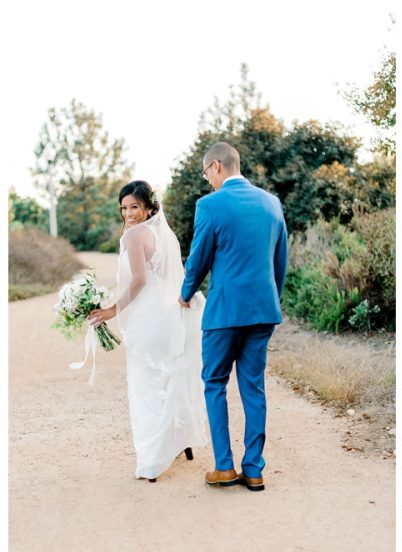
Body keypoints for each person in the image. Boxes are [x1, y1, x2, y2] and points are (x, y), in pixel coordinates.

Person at [180, 142, 288, 492]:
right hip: (262, 311)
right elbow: (280, 262)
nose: (206, 180)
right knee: (253, 387)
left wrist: (185, 293)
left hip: (224, 312)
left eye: (205, 173)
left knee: (214, 382)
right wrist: (270, 299)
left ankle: (224, 467)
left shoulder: (209, 206)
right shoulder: (272, 203)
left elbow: (199, 258)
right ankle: (254, 469)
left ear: (216, 166)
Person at [89, 180, 208, 482]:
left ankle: (152, 460)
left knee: (146, 387)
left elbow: (139, 280)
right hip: (167, 314)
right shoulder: (162, 233)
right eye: (124, 208)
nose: (128, 213)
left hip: (147, 316)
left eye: (134, 207)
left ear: (148, 207)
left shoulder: (134, 236)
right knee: (169, 377)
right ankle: (180, 442)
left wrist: (113, 309)